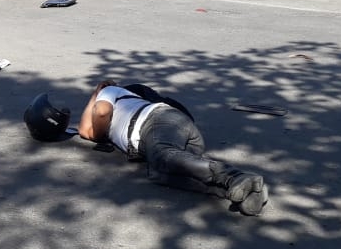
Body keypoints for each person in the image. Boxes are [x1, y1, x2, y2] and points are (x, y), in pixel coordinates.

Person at [24, 82, 269, 216]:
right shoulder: (111, 99)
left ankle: (235, 176)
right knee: (159, 172)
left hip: (159, 122)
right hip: (169, 136)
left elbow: (96, 121)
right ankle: (236, 191)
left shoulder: (110, 92)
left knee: (163, 155)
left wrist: (97, 93)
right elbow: (89, 131)